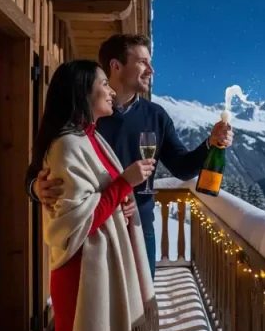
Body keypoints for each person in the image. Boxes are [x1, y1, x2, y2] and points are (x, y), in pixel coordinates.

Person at [30, 34, 233, 277]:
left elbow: (182, 168)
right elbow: (36, 173)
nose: (151, 70)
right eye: (143, 62)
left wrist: (210, 144)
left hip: (139, 228)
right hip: (94, 235)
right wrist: (36, 188)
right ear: (116, 66)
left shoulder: (156, 116)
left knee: (142, 301)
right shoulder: (85, 118)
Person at [29, 59, 159, 331]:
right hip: (84, 275)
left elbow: (98, 198)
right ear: (82, 92)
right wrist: (125, 183)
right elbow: (77, 221)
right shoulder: (68, 145)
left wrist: (123, 205)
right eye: (103, 83)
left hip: (104, 268)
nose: (111, 90)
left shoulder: (91, 137)